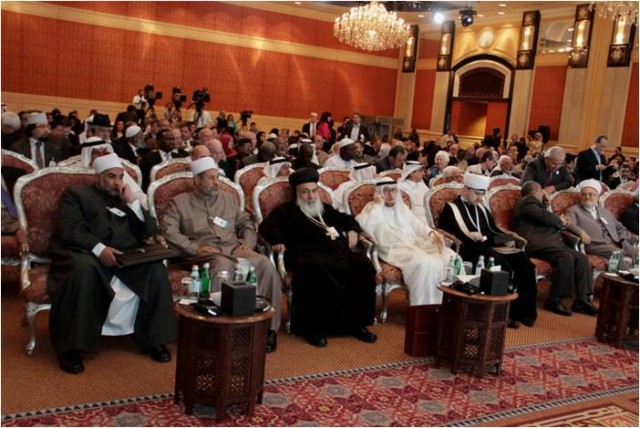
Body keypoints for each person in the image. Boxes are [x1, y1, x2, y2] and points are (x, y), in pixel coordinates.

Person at [47, 153, 177, 374]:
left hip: (124, 253)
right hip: (85, 251)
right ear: (98, 176)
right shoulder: (76, 194)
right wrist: (99, 249)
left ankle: (153, 339)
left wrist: (134, 204)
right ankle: (71, 348)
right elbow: (70, 230)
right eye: (111, 177)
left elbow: (148, 232)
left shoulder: (123, 198)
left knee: (155, 270)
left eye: (120, 177)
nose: (116, 182)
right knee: (83, 272)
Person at [160, 158, 282, 352]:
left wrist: (247, 243)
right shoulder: (179, 203)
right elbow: (168, 231)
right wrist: (194, 248)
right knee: (222, 266)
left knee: (265, 264)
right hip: (202, 254)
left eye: (217, 177)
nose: (216, 182)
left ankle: (268, 330)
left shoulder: (228, 199)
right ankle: (214, 332)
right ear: (197, 181)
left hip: (233, 248)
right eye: (210, 178)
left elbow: (246, 223)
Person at [258, 168, 378, 348]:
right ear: (297, 193)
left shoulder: (325, 210)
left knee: (364, 266)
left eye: (314, 191)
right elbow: (267, 226)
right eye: (305, 192)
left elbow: (347, 219)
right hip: (307, 258)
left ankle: (357, 324)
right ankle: (313, 329)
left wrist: (353, 230)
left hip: (339, 254)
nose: (311, 196)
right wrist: (277, 240)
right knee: (317, 271)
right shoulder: (287, 211)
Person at [438, 172, 538, 327]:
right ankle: (500, 314)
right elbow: (461, 234)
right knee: (501, 265)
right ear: (465, 190)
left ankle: (524, 312)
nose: (480, 198)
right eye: (477, 194)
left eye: (482, 194)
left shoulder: (481, 208)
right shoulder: (451, 208)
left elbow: (493, 230)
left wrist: (506, 240)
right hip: (468, 249)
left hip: (489, 246)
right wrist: (479, 237)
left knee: (524, 262)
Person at [357, 177, 456, 306]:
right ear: (380, 193)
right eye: (386, 191)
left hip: (413, 244)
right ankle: (422, 309)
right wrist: (378, 204)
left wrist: (431, 232)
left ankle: (444, 306)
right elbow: (363, 225)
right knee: (424, 263)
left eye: (393, 190)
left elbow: (417, 225)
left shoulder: (401, 207)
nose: (391, 195)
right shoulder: (373, 208)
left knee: (451, 258)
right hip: (393, 248)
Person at [511, 181, 597, 317]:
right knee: (565, 257)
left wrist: (549, 206)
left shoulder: (537, 204)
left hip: (550, 243)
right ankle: (555, 299)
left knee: (581, 258)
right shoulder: (527, 202)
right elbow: (546, 218)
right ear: (535, 192)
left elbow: (546, 219)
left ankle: (582, 298)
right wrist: (560, 221)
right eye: (541, 191)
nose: (544, 193)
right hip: (536, 244)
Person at [565, 179, 637, 261]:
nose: (587, 197)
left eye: (591, 194)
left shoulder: (604, 211)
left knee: (635, 252)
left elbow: (619, 226)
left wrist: (623, 239)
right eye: (584, 194)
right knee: (618, 254)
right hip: (594, 244)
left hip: (615, 242)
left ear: (597, 197)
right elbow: (569, 223)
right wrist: (581, 232)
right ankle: (624, 273)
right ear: (580, 196)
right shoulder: (573, 210)